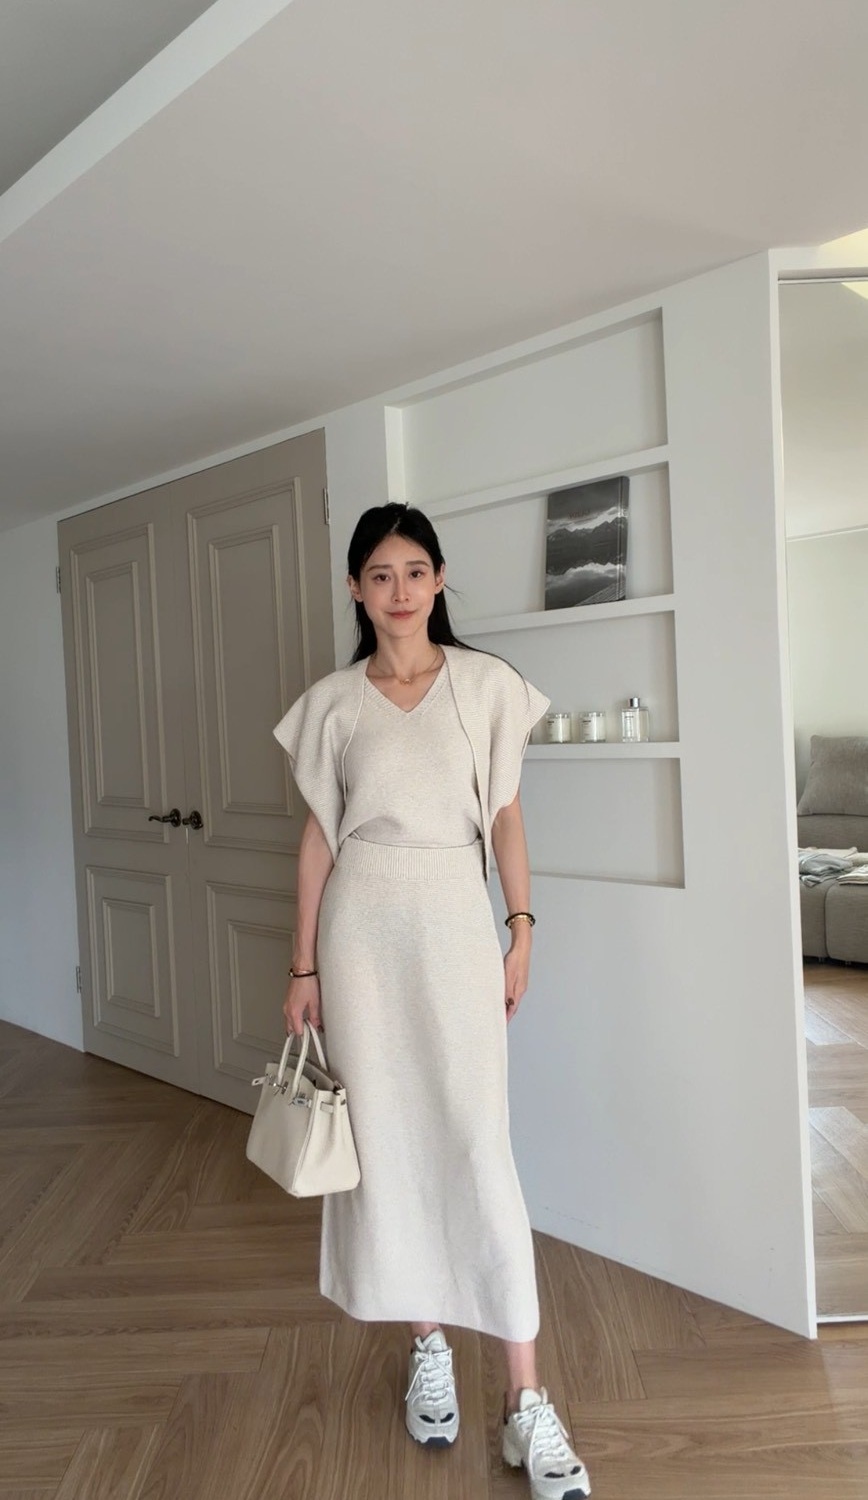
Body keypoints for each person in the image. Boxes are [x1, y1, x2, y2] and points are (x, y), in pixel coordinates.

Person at [273, 503, 591, 1500]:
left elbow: (505, 816)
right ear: (355, 589)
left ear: (441, 579)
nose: (399, 589)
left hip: (454, 921)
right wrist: (302, 966)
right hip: (359, 935)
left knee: (475, 1142)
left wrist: (522, 926)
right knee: (389, 1143)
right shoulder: (332, 704)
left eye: (416, 570)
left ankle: (526, 1399)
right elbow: (319, 839)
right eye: (380, 573)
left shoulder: (487, 687)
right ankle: (428, 1347)